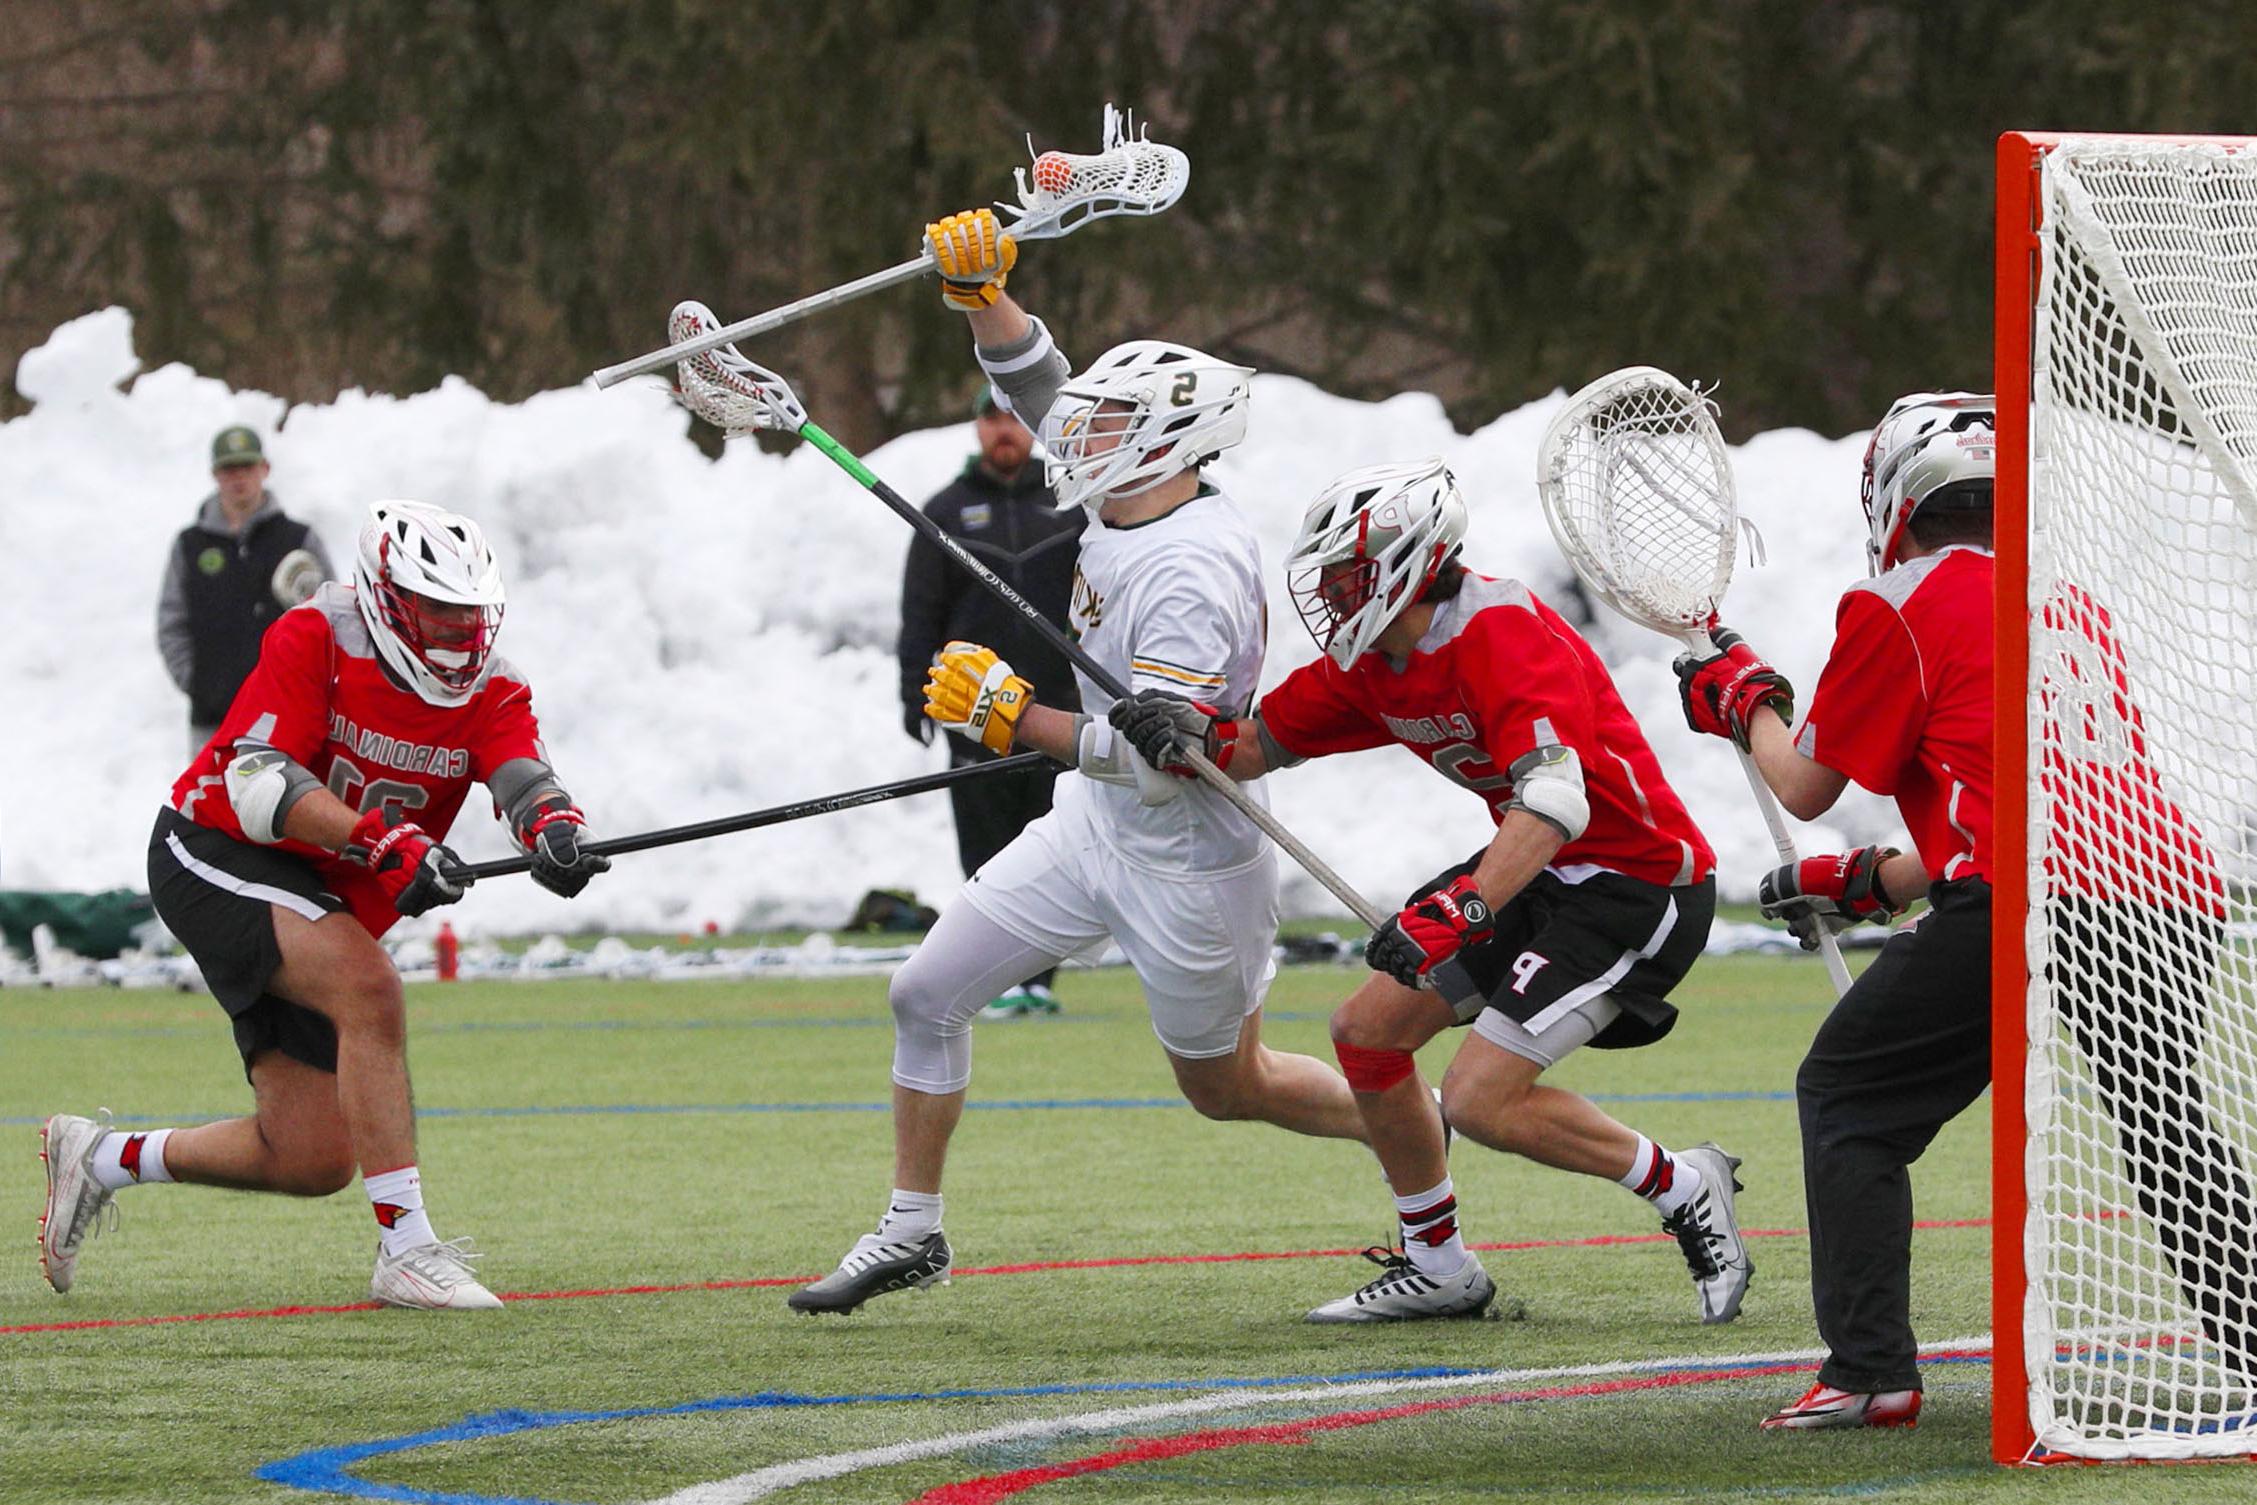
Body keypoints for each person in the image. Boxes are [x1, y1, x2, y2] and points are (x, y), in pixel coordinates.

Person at [790, 208, 1370, 1315]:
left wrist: (1019, 717)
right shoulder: (1122, 481)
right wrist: (981, 294)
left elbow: (1170, 761)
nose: (1072, 435)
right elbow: (1038, 380)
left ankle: (1412, 1125)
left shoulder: (1192, 569)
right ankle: (913, 1229)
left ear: (1161, 445)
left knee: (1228, 1086)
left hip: (1188, 859)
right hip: (1090, 827)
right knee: (924, 992)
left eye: (1103, 426)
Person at [1704, 393, 2257, 1430]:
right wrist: (1873, 876)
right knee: (2163, 1123)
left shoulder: (1899, 599)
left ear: (1894, 499)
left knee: (1848, 1098)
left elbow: (1805, 784)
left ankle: (1869, 1370)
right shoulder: (2063, 596)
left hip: (2036, 902)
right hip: (2168, 893)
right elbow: (2029, 792)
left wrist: (1745, 698)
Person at [1111, 457, 1751, 1326]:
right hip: (1537, 870)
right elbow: (1251, 745)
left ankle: (1683, 1182)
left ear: (1406, 563)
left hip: (1632, 883)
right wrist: (1181, 730)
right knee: (1365, 1034)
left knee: (1482, 1099)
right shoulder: (1376, 658)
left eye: (1343, 575)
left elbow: (1557, 801)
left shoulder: (1502, 632)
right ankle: (1439, 1263)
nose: (1330, 596)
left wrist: (1463, 910)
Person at [41, 500, 610, 1310]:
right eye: (437, 611)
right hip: (212, 852)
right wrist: (381, 841)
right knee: (368, 984)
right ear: (384, 596)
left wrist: (553, 827)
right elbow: (257, 782)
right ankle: (407, 1250)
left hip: (316, 892)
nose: (456, 634)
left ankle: (102, 1156)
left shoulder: (497, 684)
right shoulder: (318, 635)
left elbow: (521, 770)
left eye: (469, 615)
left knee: (308, 1156)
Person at [897, 387, 1084, 1019]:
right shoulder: (944, 512)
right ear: (977, 428)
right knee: (986, 852)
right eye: (991, 418)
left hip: (1057, 710)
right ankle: (999, 975)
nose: (1004, 430)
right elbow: (920, 613)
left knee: (1054, 849)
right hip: (971, 714)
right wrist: (912, 695)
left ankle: (1041, 979)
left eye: (1012, 418)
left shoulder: (1071, 505)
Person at [158, 424, 335, 755]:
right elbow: (171, 622)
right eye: (228, 468)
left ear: (264, 469)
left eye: (247, 467)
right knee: (210, 806)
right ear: (215, 474)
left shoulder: (298, 539)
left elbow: (331, 620)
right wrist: (197, 682)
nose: (238, 477)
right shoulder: (190, 546)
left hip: (288, 718)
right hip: (213, 721)